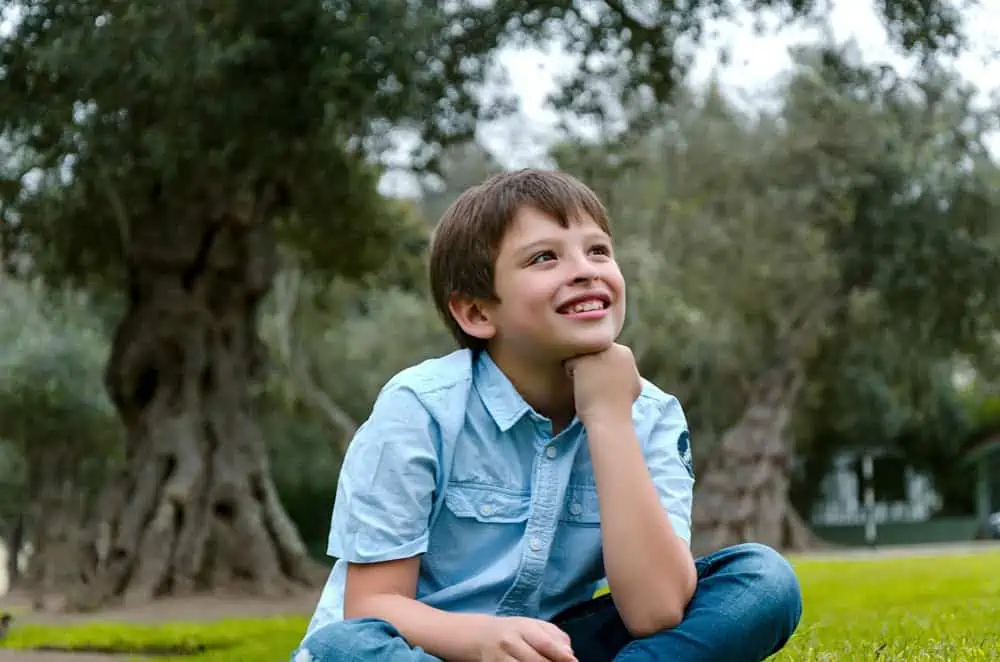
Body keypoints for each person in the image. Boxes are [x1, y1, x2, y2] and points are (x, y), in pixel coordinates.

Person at [293, 169, 803, 662]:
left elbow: (656, 611)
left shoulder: (650, 415)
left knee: (762, 582)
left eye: (598, 250)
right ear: (476, 313)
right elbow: (371, 606)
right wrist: (481, 640)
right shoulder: (420, 408)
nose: (585, 269)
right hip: (424, 648)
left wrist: (608, 419)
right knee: (341, 649)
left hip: (555, 649)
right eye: (544, 258)